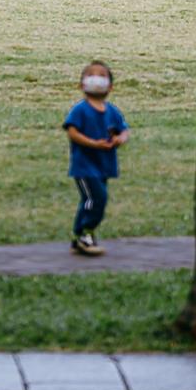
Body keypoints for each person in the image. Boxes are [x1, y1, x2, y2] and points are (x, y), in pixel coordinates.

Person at [62, 60, 130, 256]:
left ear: (110, 86)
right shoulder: (80, 110)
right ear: (81, 84)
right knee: (96, 198)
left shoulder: (112, 111)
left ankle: (79, 237)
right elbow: (72, 132)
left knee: (92, 200)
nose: (96, 79)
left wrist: (119, 139)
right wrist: (94, 144)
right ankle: (85, 232)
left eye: (102, 75)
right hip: (84, 167)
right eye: (92, 75)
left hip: (104, 166)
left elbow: (124, 131)